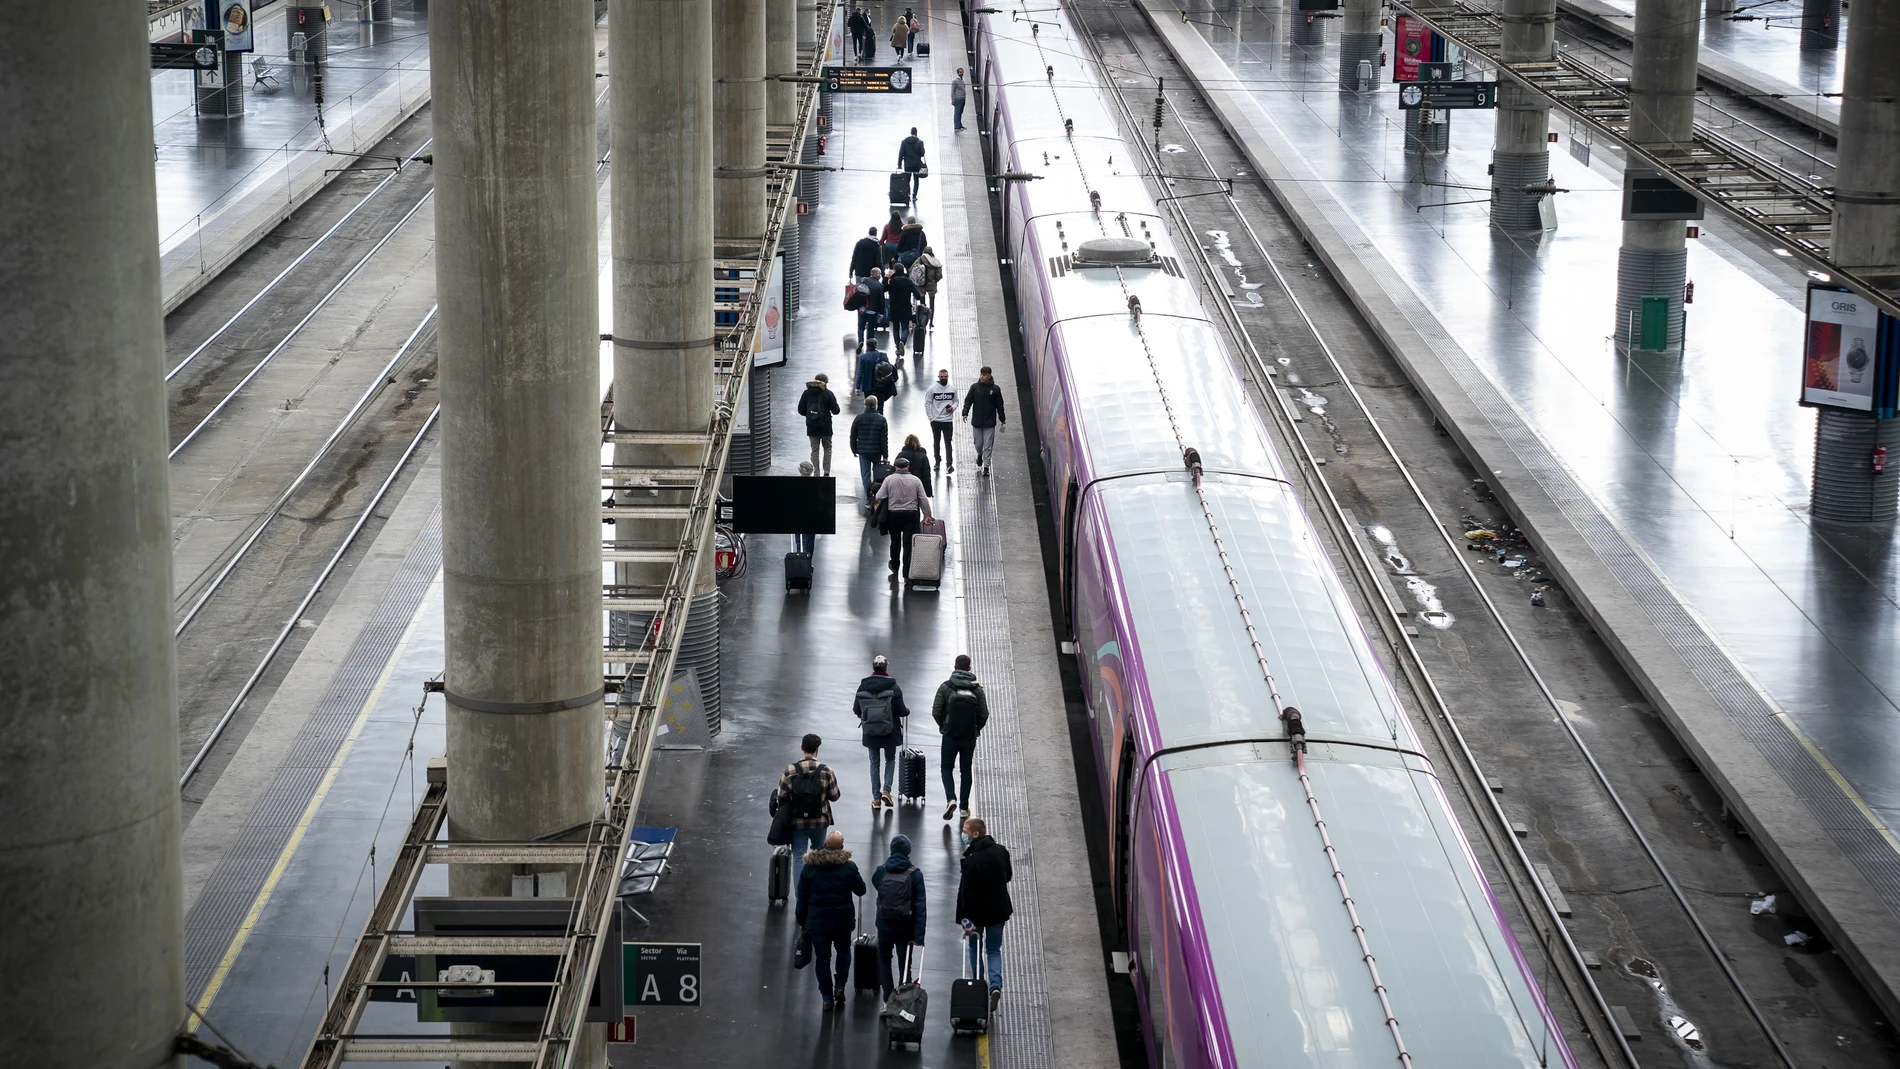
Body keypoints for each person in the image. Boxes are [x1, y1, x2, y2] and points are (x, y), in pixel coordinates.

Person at [795, 829, 866, 1011]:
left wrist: (802, 920)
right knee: (843, 951)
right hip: (842, 921)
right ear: (842, 848)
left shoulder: (810, 867)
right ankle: (840, 986)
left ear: (824, 845)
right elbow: (861, 890)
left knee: (822, 959)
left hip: (818, 923)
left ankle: (826, 997)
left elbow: (802, 897)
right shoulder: (848, 867)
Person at [956, 816, 1013, 1012]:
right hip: (998, 911)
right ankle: (995, 986)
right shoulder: (1001, 851)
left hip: (976, 915)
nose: (963, 834)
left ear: (975, 834)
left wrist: (964, 920)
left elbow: (964, 893)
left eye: (965, 830)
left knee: (974, 948)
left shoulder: (971, 860)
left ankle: (979, 986)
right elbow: (1008, 876)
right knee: (994, 950)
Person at [771, 733, 842, 887]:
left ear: (802, 748)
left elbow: (781, 796)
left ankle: (800, 898)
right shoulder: (826, 771)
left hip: (798, 822)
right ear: (817, 750)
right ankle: (816, 891)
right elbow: (835, 796)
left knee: (799, 858)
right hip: (820, 821)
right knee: (818, 856)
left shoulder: (790, 770)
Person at [869, 833, 927, 1002]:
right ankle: (902, 999)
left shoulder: (881, 870)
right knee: (904, 964)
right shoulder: (915, 874)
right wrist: (919, 936)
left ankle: (888, 998)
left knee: (884, 960)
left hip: (884, 925)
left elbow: (876, 883)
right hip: (905, 927)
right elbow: (920, 906)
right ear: (908, 851)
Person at [931, 656, 989, 820]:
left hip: (950, 736)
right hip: (968, 737)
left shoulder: (946, 687)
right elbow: (984, 714)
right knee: (966, 771)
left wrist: (944, 726)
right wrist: (975, 729)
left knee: (946, 768)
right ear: (970, 668)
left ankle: (951, 799)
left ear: (955, 667)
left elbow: (936, 711)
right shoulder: (977, 690)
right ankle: (964, 808)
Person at [854, 655, 911, 809]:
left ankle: (876, 798)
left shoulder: (863, 686)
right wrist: (907, 711)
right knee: (890, 759)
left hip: (870, 731)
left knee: (874, 762)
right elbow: (901, 710)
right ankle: (887, 790)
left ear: (873, 668)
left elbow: (856, 709)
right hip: (889, 731)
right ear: (886, 668)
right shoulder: (894, 687)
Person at [875, 457, 932, 577]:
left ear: (895, 467)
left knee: (895, 541)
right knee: (908, 543)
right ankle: (906, 574)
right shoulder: (915, 480)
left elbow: (879, 496)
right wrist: (927, 514)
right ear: (908, 467)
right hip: (911, 515)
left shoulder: (889, 479)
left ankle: (895, 565)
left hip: (893, 515)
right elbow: (923, 499)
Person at [961, 365, 1007, 476]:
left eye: (984, 375)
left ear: (990, 375)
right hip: (977, 422)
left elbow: (999, 405)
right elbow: (968, 401)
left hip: (989, 423)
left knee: (988, 445)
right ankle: (979, 454)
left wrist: (1002, 419)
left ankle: (986, 467)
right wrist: (965, 412)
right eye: (981, 374)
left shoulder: (995, 389)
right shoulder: (974, 387)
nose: (982, 377)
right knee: (978, 444)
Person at [798, 372, 839, 477]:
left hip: (812, 427)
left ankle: (816, 472)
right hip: (826, 427)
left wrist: (810, 415)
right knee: (827, 448)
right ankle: (826, 472)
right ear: (826, 382)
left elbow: (800, 410)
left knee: (814, 450)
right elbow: (836, 411)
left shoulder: (806, 393)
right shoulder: (828, 393)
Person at [849, 394, 889, 498]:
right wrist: (885, 455)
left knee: (865, 475)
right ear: (876, 405)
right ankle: (876, 496)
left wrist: (854, 450)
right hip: (876, 451)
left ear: (865, 405)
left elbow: (853, 436)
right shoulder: (881, 419)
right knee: (877, 474)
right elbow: (884, 439)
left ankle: (868, 498)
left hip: (863, 451)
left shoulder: (859, 418)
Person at [925, 369, 958, 472]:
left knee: (948, 442)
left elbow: (956, 401)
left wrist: (952, 408)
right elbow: (927, 403)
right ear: (938, 377)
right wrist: (931, 417)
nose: (944, 379)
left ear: (948, 377)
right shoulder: (932, 389)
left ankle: (949, 463)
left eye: (945, 377)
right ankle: (937, 462)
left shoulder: (952, 389)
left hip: (948, 420)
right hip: (936, 421)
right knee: (936, 442)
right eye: (942, 377)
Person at [886, 264, 920, 360]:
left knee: (895, 328)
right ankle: (903, 341)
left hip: (894, 308)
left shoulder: (892, 282)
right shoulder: (908, 282)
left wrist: (886, 278)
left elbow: (883, 288)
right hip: (905, 308)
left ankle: (897, 347)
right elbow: (917, 294)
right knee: (905, 328)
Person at [855, 269, 887, 353]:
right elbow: (882, 301)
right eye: (879, 274)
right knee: (871, 329)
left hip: (862, 308)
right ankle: (869, 347)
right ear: (877, 275)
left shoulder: (864, 280)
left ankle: (860, 341)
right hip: (872, 311)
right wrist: (881, 313)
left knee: (861, 327)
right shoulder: (879, 286)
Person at [895, 434, 933, 499]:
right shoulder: (923, 456)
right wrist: (928, 492)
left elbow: (895, 472)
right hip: (918, 485)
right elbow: (926, 475)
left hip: (903, 484)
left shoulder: (901, 455)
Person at [912, 244, 944, 314]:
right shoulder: (935, 262)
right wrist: (934, 280)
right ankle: (931, 320)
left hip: (921, 284)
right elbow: (939, 275)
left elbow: (912, 269)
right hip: (931, 285)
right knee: (932, 302)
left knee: (922, 300)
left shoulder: (920, 259)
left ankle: (922, 318)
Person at [898, 127, 927, 200]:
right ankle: (914, 196)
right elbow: (922, 154)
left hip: (907, 165)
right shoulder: (920, 142)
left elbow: (901, 153)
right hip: (916, 165)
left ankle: (907, 195)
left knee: (907, 180)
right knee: (916, 180)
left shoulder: (904, 142)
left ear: (910, 132)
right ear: (916, 133)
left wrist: (899, 164)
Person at [951, 67, 968, 131]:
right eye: (960, 72)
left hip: (963, 98)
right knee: (957, 113)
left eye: (962, 72)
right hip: (958, 99)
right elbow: (952, 91)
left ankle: (960, 125)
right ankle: (956, 126)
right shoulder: (955, 81)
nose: (962, 73)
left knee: (960, 112)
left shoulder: (963, 79)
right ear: (957, 73)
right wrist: (953, 100)